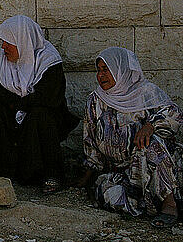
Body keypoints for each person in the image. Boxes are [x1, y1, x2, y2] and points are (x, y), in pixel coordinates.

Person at [76, 47, 182, 228]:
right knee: (106, 193)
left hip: (154, 164)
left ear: (121, 69)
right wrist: (87, 175)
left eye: (106, 70)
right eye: (99, 70)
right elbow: (91, 140)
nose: (101, 75)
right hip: (123, 173)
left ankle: (169, 203)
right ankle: (150, 203)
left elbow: (174, 115)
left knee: (151, 144)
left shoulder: (146, 92)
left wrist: (151, 125)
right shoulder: (95, 100)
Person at [0, 15, 79, 192]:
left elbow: (48, 97)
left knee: (41, 114)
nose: (3, 47)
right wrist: (17, 104)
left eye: (8, 42)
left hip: (37, 117)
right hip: (11, 113)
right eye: (3, 41)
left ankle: (50, 175)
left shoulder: (49, 61)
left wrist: (19, 104)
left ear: (23, 41)